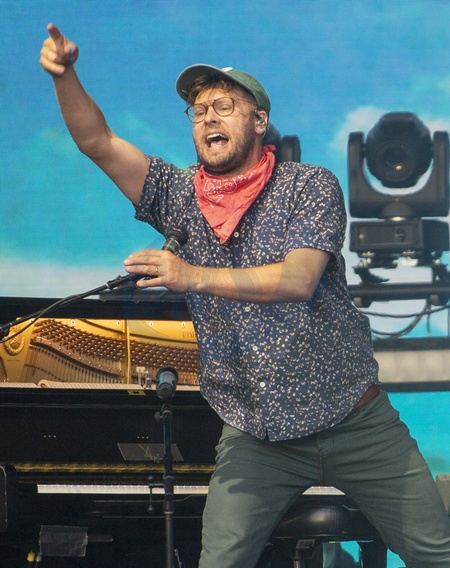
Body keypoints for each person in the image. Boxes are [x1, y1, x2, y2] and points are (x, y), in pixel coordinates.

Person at [40, 23, 450, 568]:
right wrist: (65, 76)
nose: (209, 116)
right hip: (258, 436)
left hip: (355, 423)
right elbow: (99, 143)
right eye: (199, 110)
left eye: (225, 106)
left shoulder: (308, 185)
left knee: (436, 553)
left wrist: (190, 275)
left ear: (259, 121)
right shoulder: (180, 195)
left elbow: (298, 280)